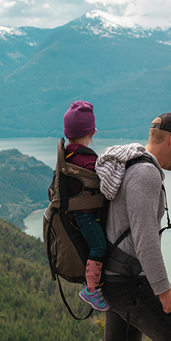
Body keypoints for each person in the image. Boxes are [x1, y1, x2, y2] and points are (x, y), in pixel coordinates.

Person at [95, 113, 171, 341]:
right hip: (130, 283)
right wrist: (163, 290)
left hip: (114, 278)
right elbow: (145, 240)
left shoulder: (128, 164)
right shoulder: (145, 173)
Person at [62, 100, 109, 312]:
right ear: (93, 132)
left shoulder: (68, 154)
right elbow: (103, 182)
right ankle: (91, 290)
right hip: (86, 215)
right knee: (99, 246)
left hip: (75, 212)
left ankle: (93, 284)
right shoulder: (87, 159)